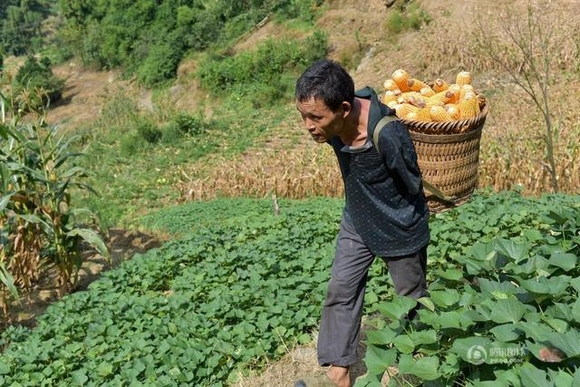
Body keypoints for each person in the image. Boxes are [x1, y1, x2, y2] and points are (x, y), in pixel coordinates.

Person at [294, 59, 430, 387]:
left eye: (316, 117)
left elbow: (412, 184)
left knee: (410, 298)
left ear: (343, 108)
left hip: (398, 224)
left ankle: (421, 363)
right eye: (303, 116)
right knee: (341, 288)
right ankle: (338, 371)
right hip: (357, 217)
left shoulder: (387, 133)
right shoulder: (331, 126)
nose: (309, 126)